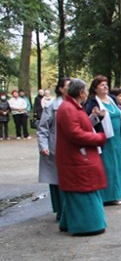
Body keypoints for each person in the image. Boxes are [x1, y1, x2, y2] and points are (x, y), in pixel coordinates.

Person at [56, 78, 108, 236]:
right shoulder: (68, 108)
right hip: (77, 157)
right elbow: (75, 134)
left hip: (79, 156)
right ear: (80, 92)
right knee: (83, 190)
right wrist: (99, 138)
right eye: (85, 90)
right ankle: (88, 225)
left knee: (78, 191)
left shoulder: (73, 107)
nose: (87, 93)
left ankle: (68, 221)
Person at [85, 76, 121, 205]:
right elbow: (87, 121)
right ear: (95, 88)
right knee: (107, 166)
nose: (105, 87)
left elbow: (120, 113)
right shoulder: (92, 102)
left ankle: (117, 193)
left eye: (106, 84)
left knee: (117, 164)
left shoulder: (112, 99)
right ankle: (106, 196)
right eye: (102, 85)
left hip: (117, 138)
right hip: (105, 138)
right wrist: (96, 115)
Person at [37, 78, 69, 221]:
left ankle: (68, 209)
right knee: (56, 181)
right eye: (68, 86)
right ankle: (60, 210)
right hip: (55, 147)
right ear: (61, 89)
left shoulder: (77, 104)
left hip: (71, 147)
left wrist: (95, 117)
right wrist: (43, 146)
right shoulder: (51, 106)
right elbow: (43, 128)